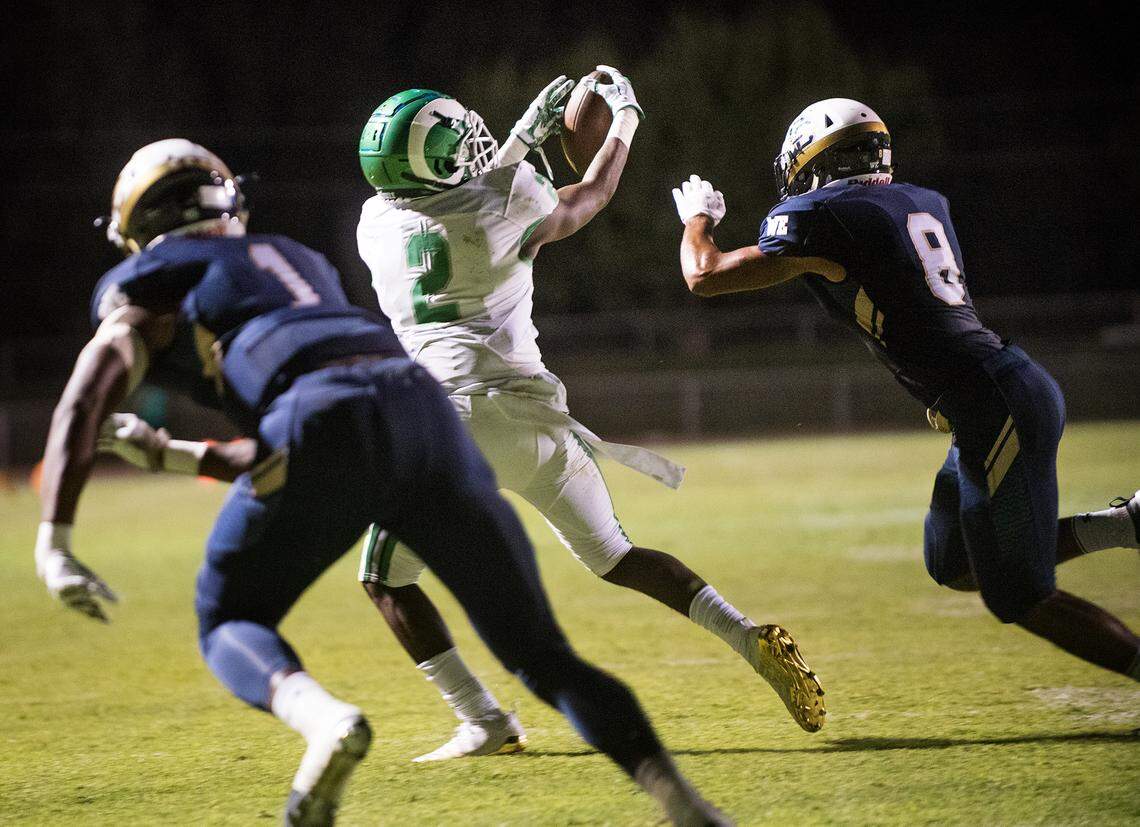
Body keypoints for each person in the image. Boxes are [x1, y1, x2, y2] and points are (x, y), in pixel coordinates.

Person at [36, 138, 729, 826]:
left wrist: (55, 537)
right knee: (541, 654)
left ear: (138, 225)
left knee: (228, 618)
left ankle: (328, 722)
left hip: (324, 417)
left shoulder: (147, 280)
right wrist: (171, 452)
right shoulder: (296, 260)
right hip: (421, 408)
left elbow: (89, 394)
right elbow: (309, 437)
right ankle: (693, 809)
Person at [351, 68, 825, 759]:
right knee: (620, 558)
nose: (474, 136)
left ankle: (484, 720)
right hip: (538, 423)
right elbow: (590, 194)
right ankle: (746, 636)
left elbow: (459, 206)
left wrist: (519, 138)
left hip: (450, 428)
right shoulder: (508, 199)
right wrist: (626, 119)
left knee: (382, 578)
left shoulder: (375, 224)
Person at [670, 98, 1140, 685]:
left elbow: (704, 275)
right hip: (997, 393)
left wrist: (698, 218)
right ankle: (1123, 526)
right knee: (954, 561)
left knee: (1018, 595)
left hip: (995, 404)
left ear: (813, 163)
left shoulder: (823, 217)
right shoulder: (922, 202)